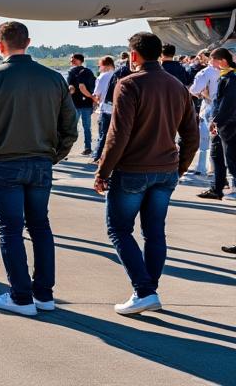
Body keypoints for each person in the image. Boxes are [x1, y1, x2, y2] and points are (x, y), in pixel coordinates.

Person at [0, 21, 76, 316]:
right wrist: (52, 157)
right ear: (29, 42)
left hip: (4, 163)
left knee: (10, 230)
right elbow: (70, 129)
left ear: (0, 46)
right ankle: (44, 294)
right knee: (40, 227)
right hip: (40, 163)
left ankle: (21, 296)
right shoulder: (54, 79)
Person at [95, 32, 199, 316]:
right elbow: (191, 136)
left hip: (133, 171)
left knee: (118, 230)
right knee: (155, 232)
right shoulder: (177, 85)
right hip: (165, 171)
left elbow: (118, 135)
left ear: (134, 55)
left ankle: (144, 291)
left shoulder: (129, 84)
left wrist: (103, 171)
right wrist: (179, 169)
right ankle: (148, 290)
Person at [205, 48, 236, 202]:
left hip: (229, 125)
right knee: (217, 154)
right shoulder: (225, 76)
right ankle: (217, 188)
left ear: (222, 60)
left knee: (232, 158)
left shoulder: (231, 78)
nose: (210, 63)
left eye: (213, 60)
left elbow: (228, 104)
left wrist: (217, 121)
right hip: (223, 124)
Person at [189, 51, 218, 181]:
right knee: (219, 141)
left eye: (200, 57)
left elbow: (194, 90)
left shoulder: (205, 72)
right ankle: (215, 168)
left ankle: (202, 168)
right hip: (226, 107)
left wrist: (201, 94)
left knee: (205, 141)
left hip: (209, 105)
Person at [66, 54, 97, 156]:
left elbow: (76, 88)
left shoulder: (71, 72)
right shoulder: (89, 72)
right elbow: (93, 88)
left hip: (75, 104)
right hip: (87, 104)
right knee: (87, 127)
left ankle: (66, 149)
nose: (71, 62)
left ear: (79, 60)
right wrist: (92, 98)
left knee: (71, 127)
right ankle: (87, 148)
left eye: (72, 60)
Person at [91, 56, 117, 164]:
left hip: (105, 109)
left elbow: (97, 95)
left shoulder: (103, 76)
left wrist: (94, 103)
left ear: (106, 65)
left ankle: (97, 157)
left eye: (100, 66)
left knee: (103, 134)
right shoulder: (118, 75)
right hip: (117, 109)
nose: (99, 68)